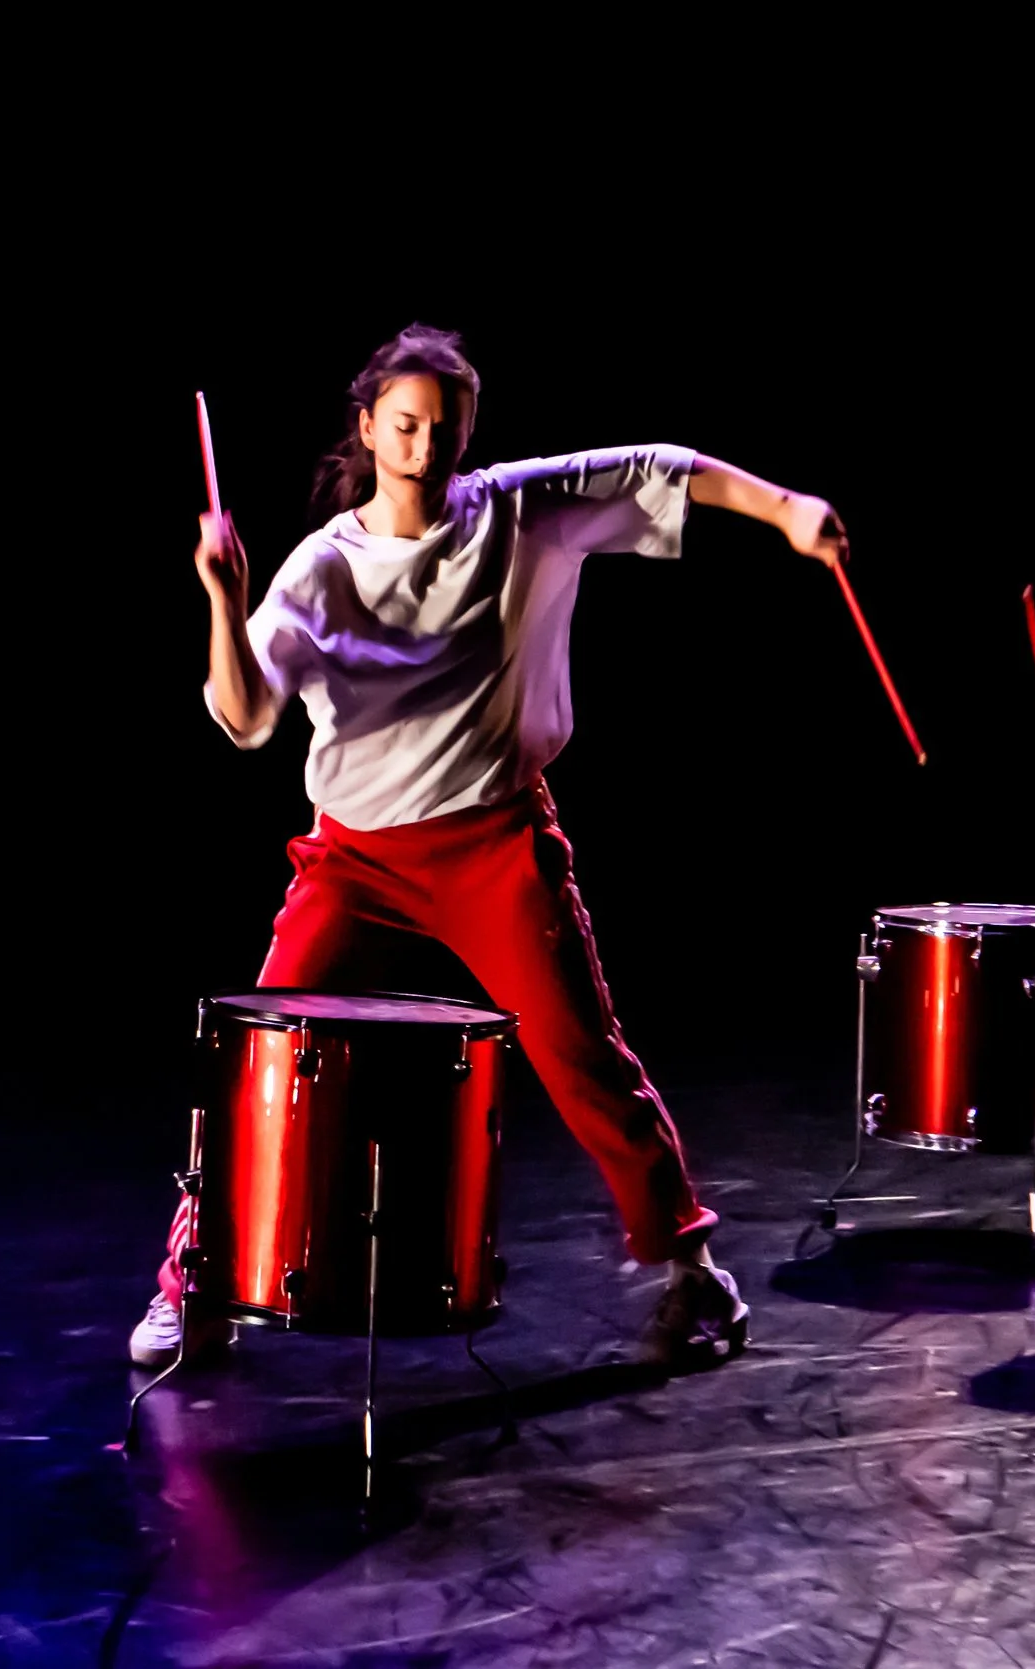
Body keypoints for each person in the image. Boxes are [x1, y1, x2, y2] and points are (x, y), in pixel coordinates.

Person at [131, 323, 848, 1368]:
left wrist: (785, 508)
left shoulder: (514, 510)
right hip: (357, 860)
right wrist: (222, 597)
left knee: (577, 1051)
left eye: (445, 429)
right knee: (264, 1066)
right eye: (406, 426)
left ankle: (693, 1271)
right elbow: (243, 718)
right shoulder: (318, 571)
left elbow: (662, 468)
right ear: (368, 427)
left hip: (491, 837)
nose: (425, 449)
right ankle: (190, 1285)